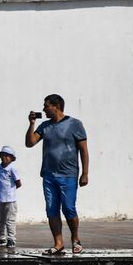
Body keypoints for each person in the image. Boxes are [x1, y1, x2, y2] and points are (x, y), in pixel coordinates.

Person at [25, 94, 90, 255]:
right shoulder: (45, 126)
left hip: (68, 174)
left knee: (68, 208)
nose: (44, 109)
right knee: (52, 210)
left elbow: (83, 150)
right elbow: (30, 143)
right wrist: (32, 124)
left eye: (46, 106)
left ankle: (75, 239)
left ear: (57, 106)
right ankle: (58, 243)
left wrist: (85, 173)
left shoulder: (75, 124)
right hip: (49, 175)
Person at [0, 145, 22, 248]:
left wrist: (10, 191)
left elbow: (18, 183)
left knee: (10, 220)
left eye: (8, 156)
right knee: (0, 220)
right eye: (3, 155)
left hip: (10, 200)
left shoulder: (12, 169)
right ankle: (1, 238)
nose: (5, 158)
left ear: (12, 158)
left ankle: (11, 239)